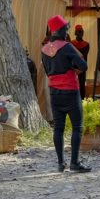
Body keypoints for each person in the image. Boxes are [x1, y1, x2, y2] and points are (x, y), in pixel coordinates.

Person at [41, 15, 91, 172]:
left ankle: (60, 163)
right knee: (77, 126)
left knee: (58, 128)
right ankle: (74, 163)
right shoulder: (67, 46)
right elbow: (83, 65)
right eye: (65, 29)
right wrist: (73, 69)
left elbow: (48, 71)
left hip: (54, 92)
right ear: (62, 31)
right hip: (70, 90)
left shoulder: (44, 49)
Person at [71, 24, 90, 99]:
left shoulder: (86, 44)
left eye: (81, 32)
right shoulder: (71, 43)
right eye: (78, 32)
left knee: (81, 86)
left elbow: (84, 57)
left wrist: (81, 69)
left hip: (82, 69)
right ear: (75, 33)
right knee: (73, 87)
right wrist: (73, 69)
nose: (80, 33)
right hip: (73, 70)